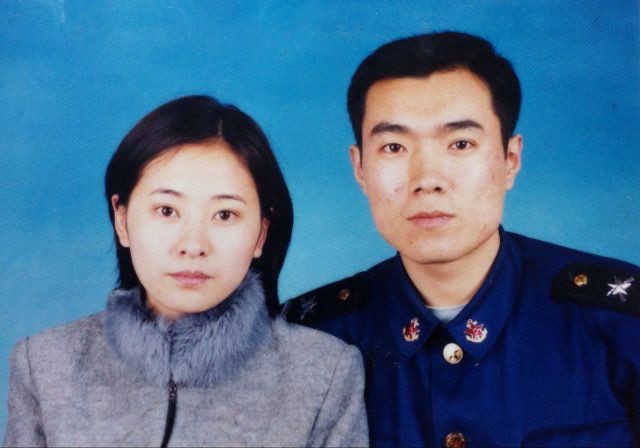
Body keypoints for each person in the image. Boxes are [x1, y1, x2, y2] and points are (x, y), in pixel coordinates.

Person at [281, 32, 640, 447]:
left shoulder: (618, 324)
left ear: (510, 160)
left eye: (461, 143)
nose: (427, 179)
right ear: (360, 168)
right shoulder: (310, 339)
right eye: (394, 146)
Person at [4, 95, 368, 447]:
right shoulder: (47, 364)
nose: (193, 244)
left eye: (224, 214)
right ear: (122, 220)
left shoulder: (325, 374)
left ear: (261, 233)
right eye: (166, 211)